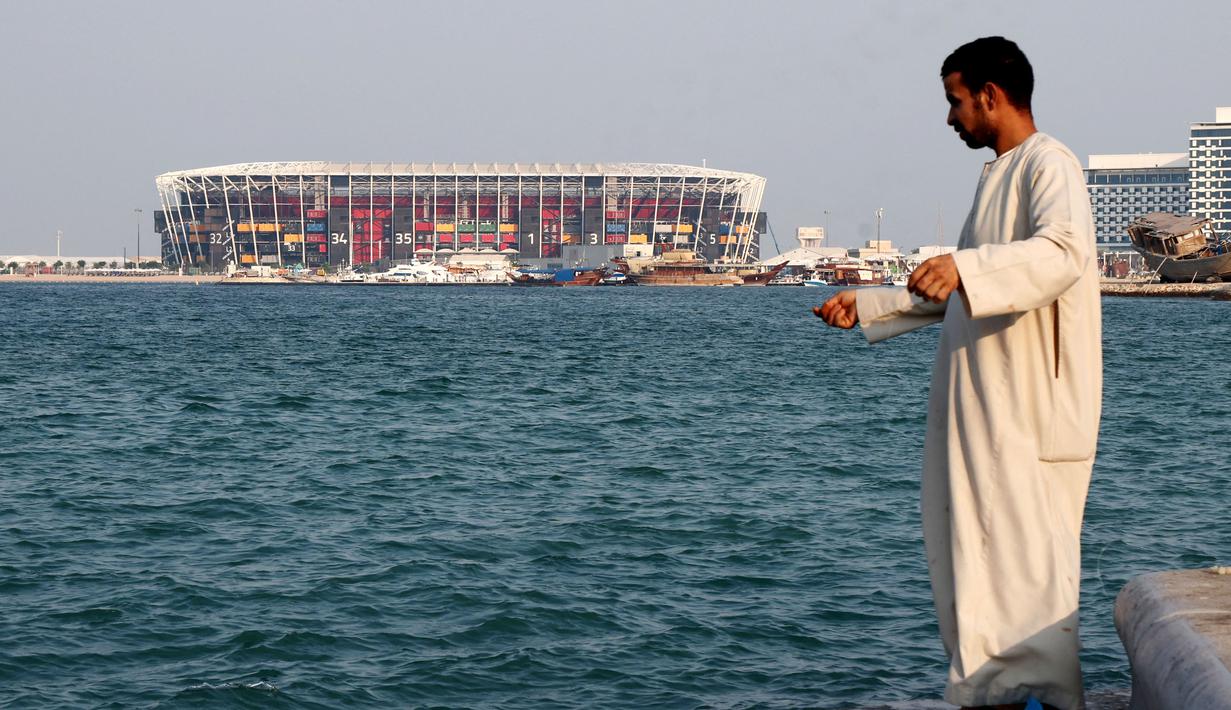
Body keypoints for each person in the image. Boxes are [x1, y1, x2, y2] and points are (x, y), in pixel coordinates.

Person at [814, 37, 1101, 710]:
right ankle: (987, 692)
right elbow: (958, 288)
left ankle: (1040, 698)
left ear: (988, 96)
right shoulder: (999, 174)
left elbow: (1060, 252)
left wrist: (966, 265)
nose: (949, 119)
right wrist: (873, 304)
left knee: (1027, 565)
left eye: (953, 101)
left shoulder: (1049, 164)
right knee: (977, 558)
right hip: (984, 408)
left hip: (1028, 412)